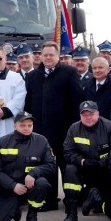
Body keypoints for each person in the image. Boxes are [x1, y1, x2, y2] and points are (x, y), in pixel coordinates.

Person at [24, 41, 84, 210]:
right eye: (45, 55)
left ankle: (71, 200)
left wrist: (74, 128)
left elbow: (77, 101)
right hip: (41, 132)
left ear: (58, 56)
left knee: (66, 167)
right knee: (45, 166)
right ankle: (49, 200)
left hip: (64, 130)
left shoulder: (69, 72)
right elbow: (28, 104)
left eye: (51, 54)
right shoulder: (33, 76)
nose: (48, 58)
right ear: (40, 57)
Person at [0, 111, 56, 221]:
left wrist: (33, 173)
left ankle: (32, 215)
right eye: (22, 125)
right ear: (15, 126)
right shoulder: (3, 142)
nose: (26, 128)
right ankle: (14, 209)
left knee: (42, 184)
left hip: (31, 185)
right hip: (10, 188)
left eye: (29, 125)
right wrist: (12, 185)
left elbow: (51, 164)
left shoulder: (41, 141)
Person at [61, 101, 111, 221]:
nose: (88, 117)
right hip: (84, 168)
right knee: (70, 170)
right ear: (80, 116)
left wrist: (101, 163)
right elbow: (67, 152)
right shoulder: (74, 129)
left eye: (91, 114)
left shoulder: (110, 127)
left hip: (105, 170)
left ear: (98, 113)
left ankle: (97, 198)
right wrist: (82, 161)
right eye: (84, 114)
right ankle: (71, 214)